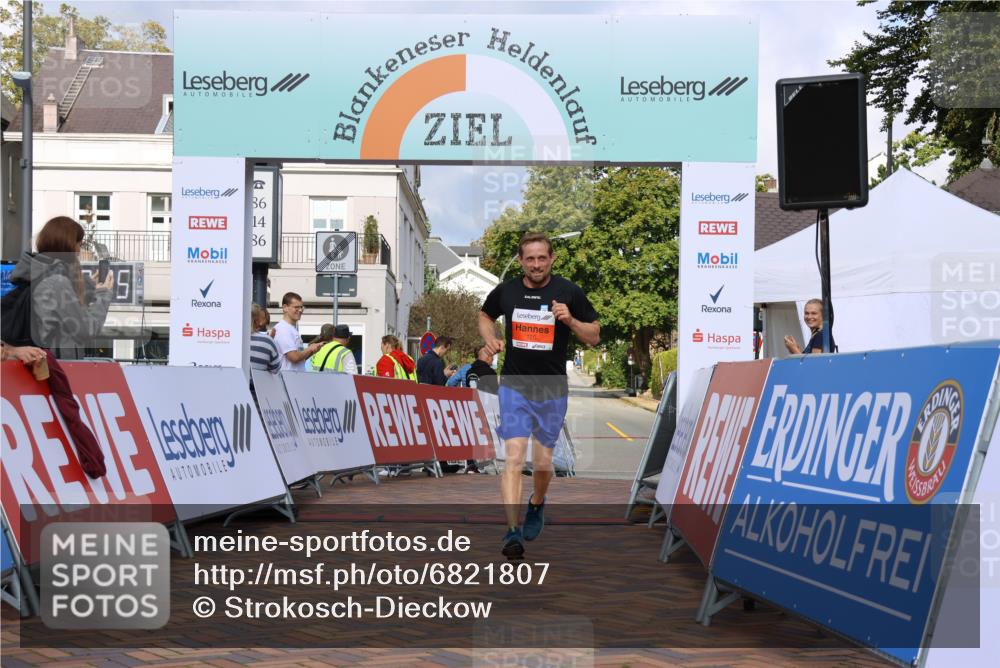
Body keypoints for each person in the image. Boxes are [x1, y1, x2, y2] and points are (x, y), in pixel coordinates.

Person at [480, 231, 600, 559]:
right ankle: (512, 531)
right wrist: (490, 338)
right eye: (530, 259)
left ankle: (536, 502)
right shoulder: (507, 290)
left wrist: (570, 319)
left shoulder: (568, 291)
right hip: (514, 385)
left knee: (544, 462)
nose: (536, 265)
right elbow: (485, 315)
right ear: (521, 261)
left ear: (552, 259)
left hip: (551, 387)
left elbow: (594, 335)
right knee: (514, 458)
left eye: (542, 258)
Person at [8, 216, 114, 359]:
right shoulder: (57, 283)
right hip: (56, 365)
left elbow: (61, 306)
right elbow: (87, 329)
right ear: (68, 245)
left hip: (39, 361)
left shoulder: (39, 274)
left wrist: (89, 285)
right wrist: (103, 295)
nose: (79, 251)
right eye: (79, 244)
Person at [273, 292, 323, 372]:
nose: (300, 310)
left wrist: (312, 351)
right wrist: (310, 349)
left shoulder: (290, 329)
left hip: (294, 377)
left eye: (301, 307)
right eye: (296, 307)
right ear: (285, 307)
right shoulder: (283, 329)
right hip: (288, 378)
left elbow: (299, 359)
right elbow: (294, 357)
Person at [249, 304, 280, 373]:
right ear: (256, 320)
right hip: (258, 380)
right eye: (260, 319)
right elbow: (276, 369)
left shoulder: (230, 339)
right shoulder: (267, 341)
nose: (261, 324)